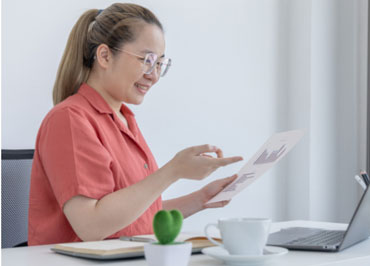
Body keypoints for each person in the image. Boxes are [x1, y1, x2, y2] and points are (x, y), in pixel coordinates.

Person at [28, 3, 242, 246]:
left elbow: (132, 218)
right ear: (105, 56)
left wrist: (202, 198)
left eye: (160, 63)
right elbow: (91, 226)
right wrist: (173, 171)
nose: (154, 75)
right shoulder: (69, 119)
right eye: (147, 60)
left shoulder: (124, 119)